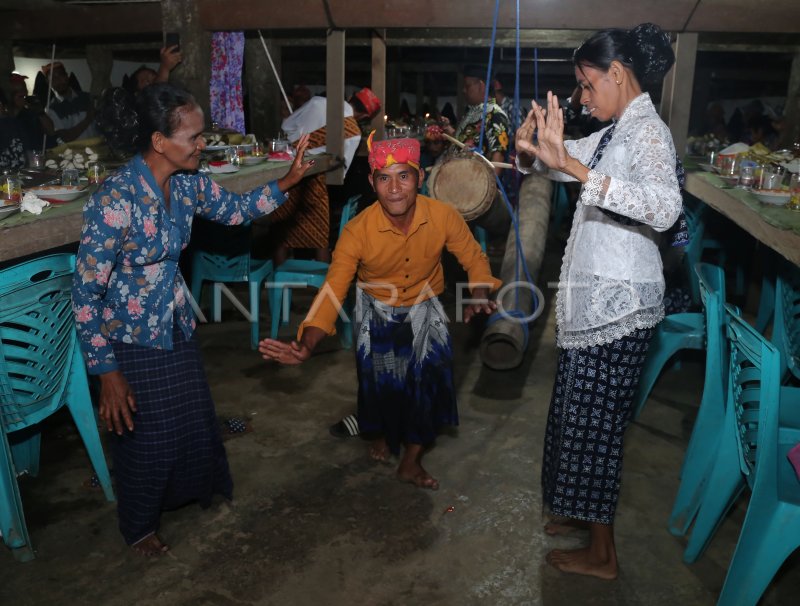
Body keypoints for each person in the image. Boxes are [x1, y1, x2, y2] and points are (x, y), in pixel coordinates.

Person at [71, 83, 313, 556]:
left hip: (175, 319)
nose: (204, 145)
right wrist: (107, 373)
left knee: (189, 420)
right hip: (131, 333)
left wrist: (288, 180)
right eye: (194, 137)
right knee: (148, 436)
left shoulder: (187, 184)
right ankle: (138, 524)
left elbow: (239, 211)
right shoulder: (115, 200)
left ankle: (188, 492)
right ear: (160, 142)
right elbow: (85, 293)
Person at [515, 23, 681, 579]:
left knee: (597, 430)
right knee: (577, 420)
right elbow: (558, 161)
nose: (583, 98)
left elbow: (663, 208)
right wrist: (531, 149)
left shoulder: (648, 134)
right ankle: (582, 517)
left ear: (616, 74)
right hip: (599, 301)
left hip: (621, 303)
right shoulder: (614, 132)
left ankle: (603, 556)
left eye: (587, 86)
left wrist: (574, 167)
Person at [259, 134, 501, 490]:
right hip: (375, 309)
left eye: (404, 176)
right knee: (381, 386)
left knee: (429, 381)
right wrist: (307, 342)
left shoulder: (443, 216)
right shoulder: (358, 231)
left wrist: (479, 291)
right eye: (384, 178)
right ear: (372, 184)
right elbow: (334, 288)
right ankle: (381, 433)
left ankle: (411, 460)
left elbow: (473, 257)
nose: (395, 188)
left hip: (425, 303)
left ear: (419, 178)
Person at [270, 87, 382, 264]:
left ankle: (277, 280)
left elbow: (286, 126)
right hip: (316, 181)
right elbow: (340, 173)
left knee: (282, 233)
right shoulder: (354, 132)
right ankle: (324, 284)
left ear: (351, 97)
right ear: (365, 116)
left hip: (287, 171)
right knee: (320, 236)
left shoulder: (317, 102)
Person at [442, 65, 510, 176]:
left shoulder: (495, 114)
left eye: (467, 86)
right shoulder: (472, 112)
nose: (464, 90)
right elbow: (464, 142)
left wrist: (487, 189)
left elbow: (499, 155)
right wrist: (450, 130)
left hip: (474, 185)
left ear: (481, 86)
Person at [40, 62, 96, 144]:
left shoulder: (87, 97)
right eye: (53, 78)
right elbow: (66, 137)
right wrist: (88, 119)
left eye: (61, 76)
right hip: (73, 155)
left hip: (98, 151)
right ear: (48, 82)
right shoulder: (50, 109)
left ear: (67, 76)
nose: (58, 81)